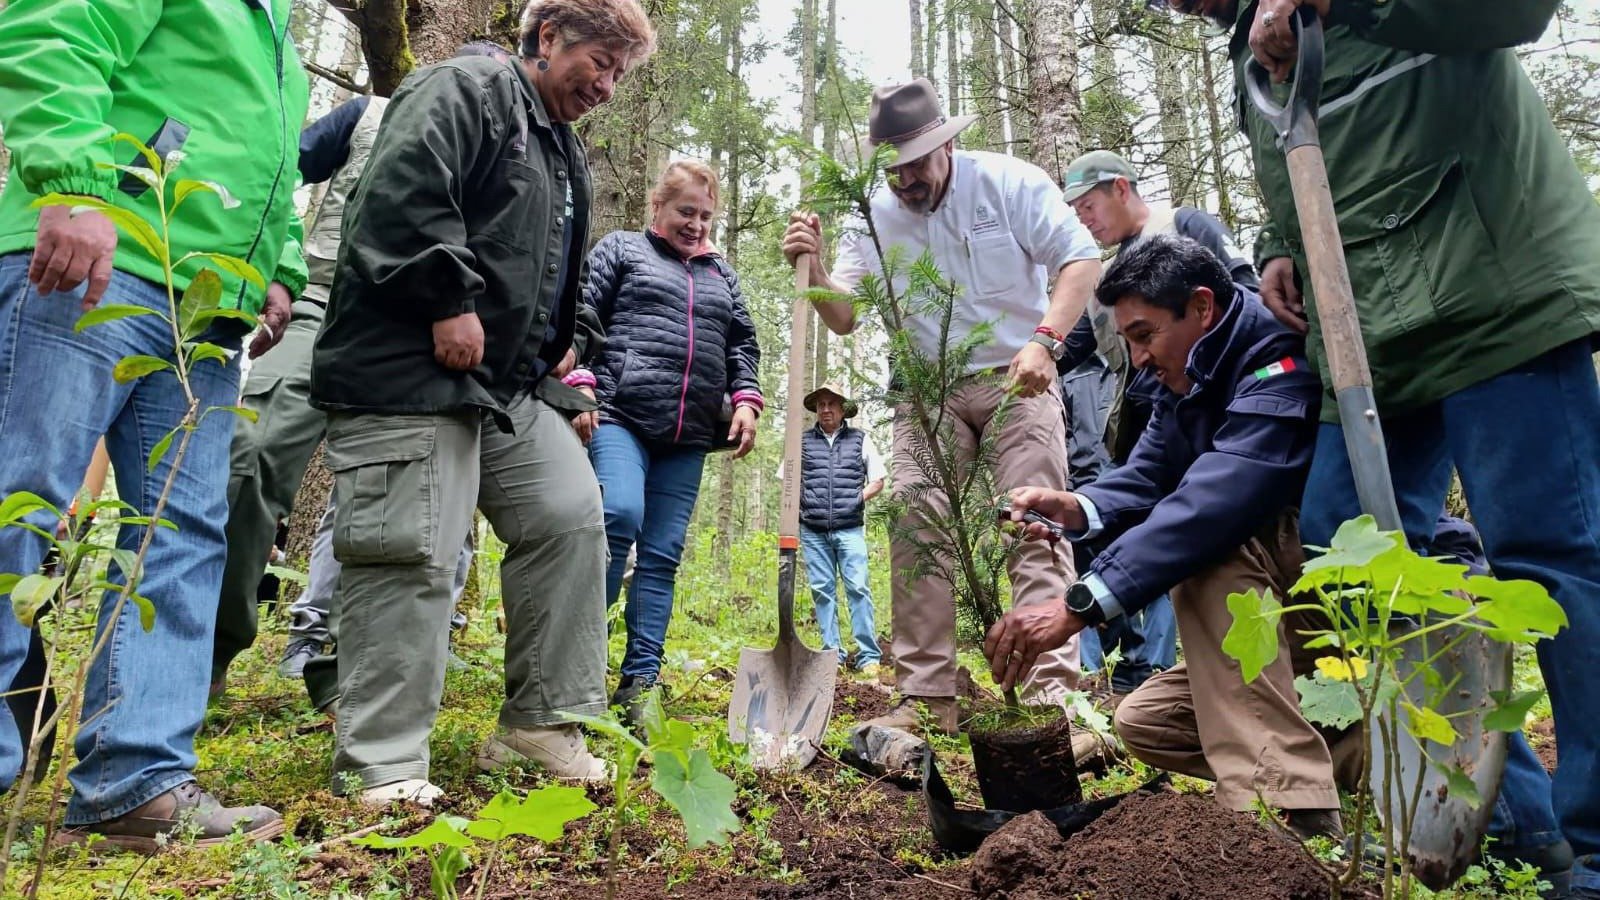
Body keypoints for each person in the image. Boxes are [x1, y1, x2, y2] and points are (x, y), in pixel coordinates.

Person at [1168, 1, 1600, 893]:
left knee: (1551, 559)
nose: (1180, 6)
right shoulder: (1250, 39)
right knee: (1348, 554)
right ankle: (1509, 818)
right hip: (1364, 332)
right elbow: (1300, 154)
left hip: (1498, 296)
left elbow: (1519, 13)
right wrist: (1280, 244)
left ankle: (1594, 843)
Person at [309, 0, 655, 806]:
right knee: (414, 548)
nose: (605, 85)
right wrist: (446, 296)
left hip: (499, 388)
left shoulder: (559, 146)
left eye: (617, 73)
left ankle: (540, 725)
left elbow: (545, 273)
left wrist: (570, 342)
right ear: (546, 37)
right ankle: (385, 766)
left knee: (572, 515)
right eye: (598, 62)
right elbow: (402, 194)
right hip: (407, 369)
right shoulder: (463, 88)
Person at [0, 0, 307, 849]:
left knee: (184, 532)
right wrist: (71, 180)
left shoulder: (278, 31)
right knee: (20, 498)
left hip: (206, 308)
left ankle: (134, 783)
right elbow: (52, 31)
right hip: (101, 257)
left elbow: (268, 160)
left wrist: (278, 268)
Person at [986, 234, 1343, 841]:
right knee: (1146, 721)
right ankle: (1378, 750)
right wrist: (1076, 506)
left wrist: (1080, 605)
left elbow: (1216, 501)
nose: (1140, 357)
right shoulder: (1186, 373)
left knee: (1209, 552)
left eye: (1145, 335)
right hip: (1288, 627)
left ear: (1202, 307)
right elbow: (1153, 470)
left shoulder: (1276, 354)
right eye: (1128, 339)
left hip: (1334, 597)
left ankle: (1287, 814)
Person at [781, 78, 1102, 734]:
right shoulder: (872, 212)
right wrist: (814, 272)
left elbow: (1080, 259)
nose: (906, 182)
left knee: (1033, 524)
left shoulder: (1009, 182)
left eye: (918, 165)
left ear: (947, 146)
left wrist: (1046, 342)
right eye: (893, 170)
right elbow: (843, 317)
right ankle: (925, 700)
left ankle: (1052, 701)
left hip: (1020, 378)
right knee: (916, 528)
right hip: (926, 393)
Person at [209, 41, 514, 690]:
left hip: (425, 329)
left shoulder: (512, 150)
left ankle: (347, 670)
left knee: (404, 501)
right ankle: (210, 650)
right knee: (251, 453)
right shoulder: (367, 113)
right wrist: (274, 264)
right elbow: (277, 170)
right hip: (322, 302)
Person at [1055, 149, 1261, 702]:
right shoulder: (1106, 279)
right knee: (1123, 533)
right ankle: (1158, 670)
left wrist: (1235, 386)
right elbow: (1077, 344)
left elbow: (1246, 293)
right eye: (1075, 211)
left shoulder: (1185, 226)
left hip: (1220, 416)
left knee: (1191, 535)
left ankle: (1156, 670)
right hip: (1148, 425)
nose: (1084, 218)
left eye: (1089, 205)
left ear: (1122, 188)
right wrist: (1030, 355)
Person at [572, 159, 764, 725]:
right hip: (619, 414)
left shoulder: (721, 274)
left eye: (705, 215)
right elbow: (581, 314)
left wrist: (747, 399)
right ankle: (578, 667)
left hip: (689, 435)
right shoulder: (621, 250)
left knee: (661, 555)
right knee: (618, 515)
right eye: (686, 211)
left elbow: (741, 346)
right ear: (658, 206)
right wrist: (577, 378)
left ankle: (640, 682)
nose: (696, 225)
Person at [792, 383, 886, 674]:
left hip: (849, 528)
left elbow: (879, 480)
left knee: (858, 588)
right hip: (812, 529)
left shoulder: (860, 440)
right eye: (821, 404)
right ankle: (832, 653)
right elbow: (787, 479)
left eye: (832, 403)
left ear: (843, 409)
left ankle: (869, 656)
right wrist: (800, 505)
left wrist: (856, 499)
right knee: (822, 590)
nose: (826, 409)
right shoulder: (802, 441)